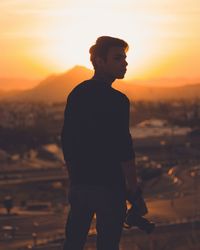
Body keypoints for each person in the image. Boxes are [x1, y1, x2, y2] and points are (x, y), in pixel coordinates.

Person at [61, 36, 138, 250]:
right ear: (98, 61)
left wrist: (74, 180)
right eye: (117, 58)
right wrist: (134, 189)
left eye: (124, 58)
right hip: (110, 188)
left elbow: (67, 140)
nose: (125, 63)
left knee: (73, 243)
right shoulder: (118, 101)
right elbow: (124, 147)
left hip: (81, 186)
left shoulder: (77, 93)